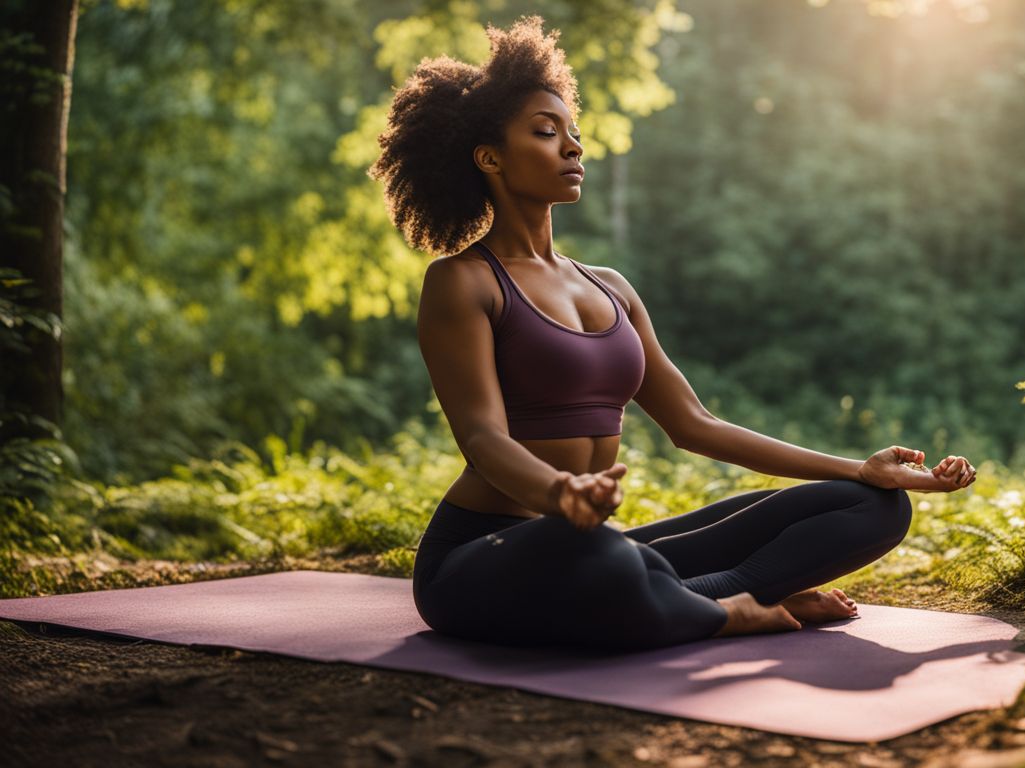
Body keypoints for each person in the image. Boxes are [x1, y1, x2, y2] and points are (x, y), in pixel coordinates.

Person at [367, 15, 977, 653]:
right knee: (605, 559)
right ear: (489, 157)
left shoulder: (610, 287)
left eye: (574, 133)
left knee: (866, 507)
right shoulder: (463, 281)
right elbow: (483, 438)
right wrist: (562, 493)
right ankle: (720, 606)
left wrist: (862, 468)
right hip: (485, 555)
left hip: (591, 544)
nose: (573, 148)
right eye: (546, 134)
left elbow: (695, 425)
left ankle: (716, 593)